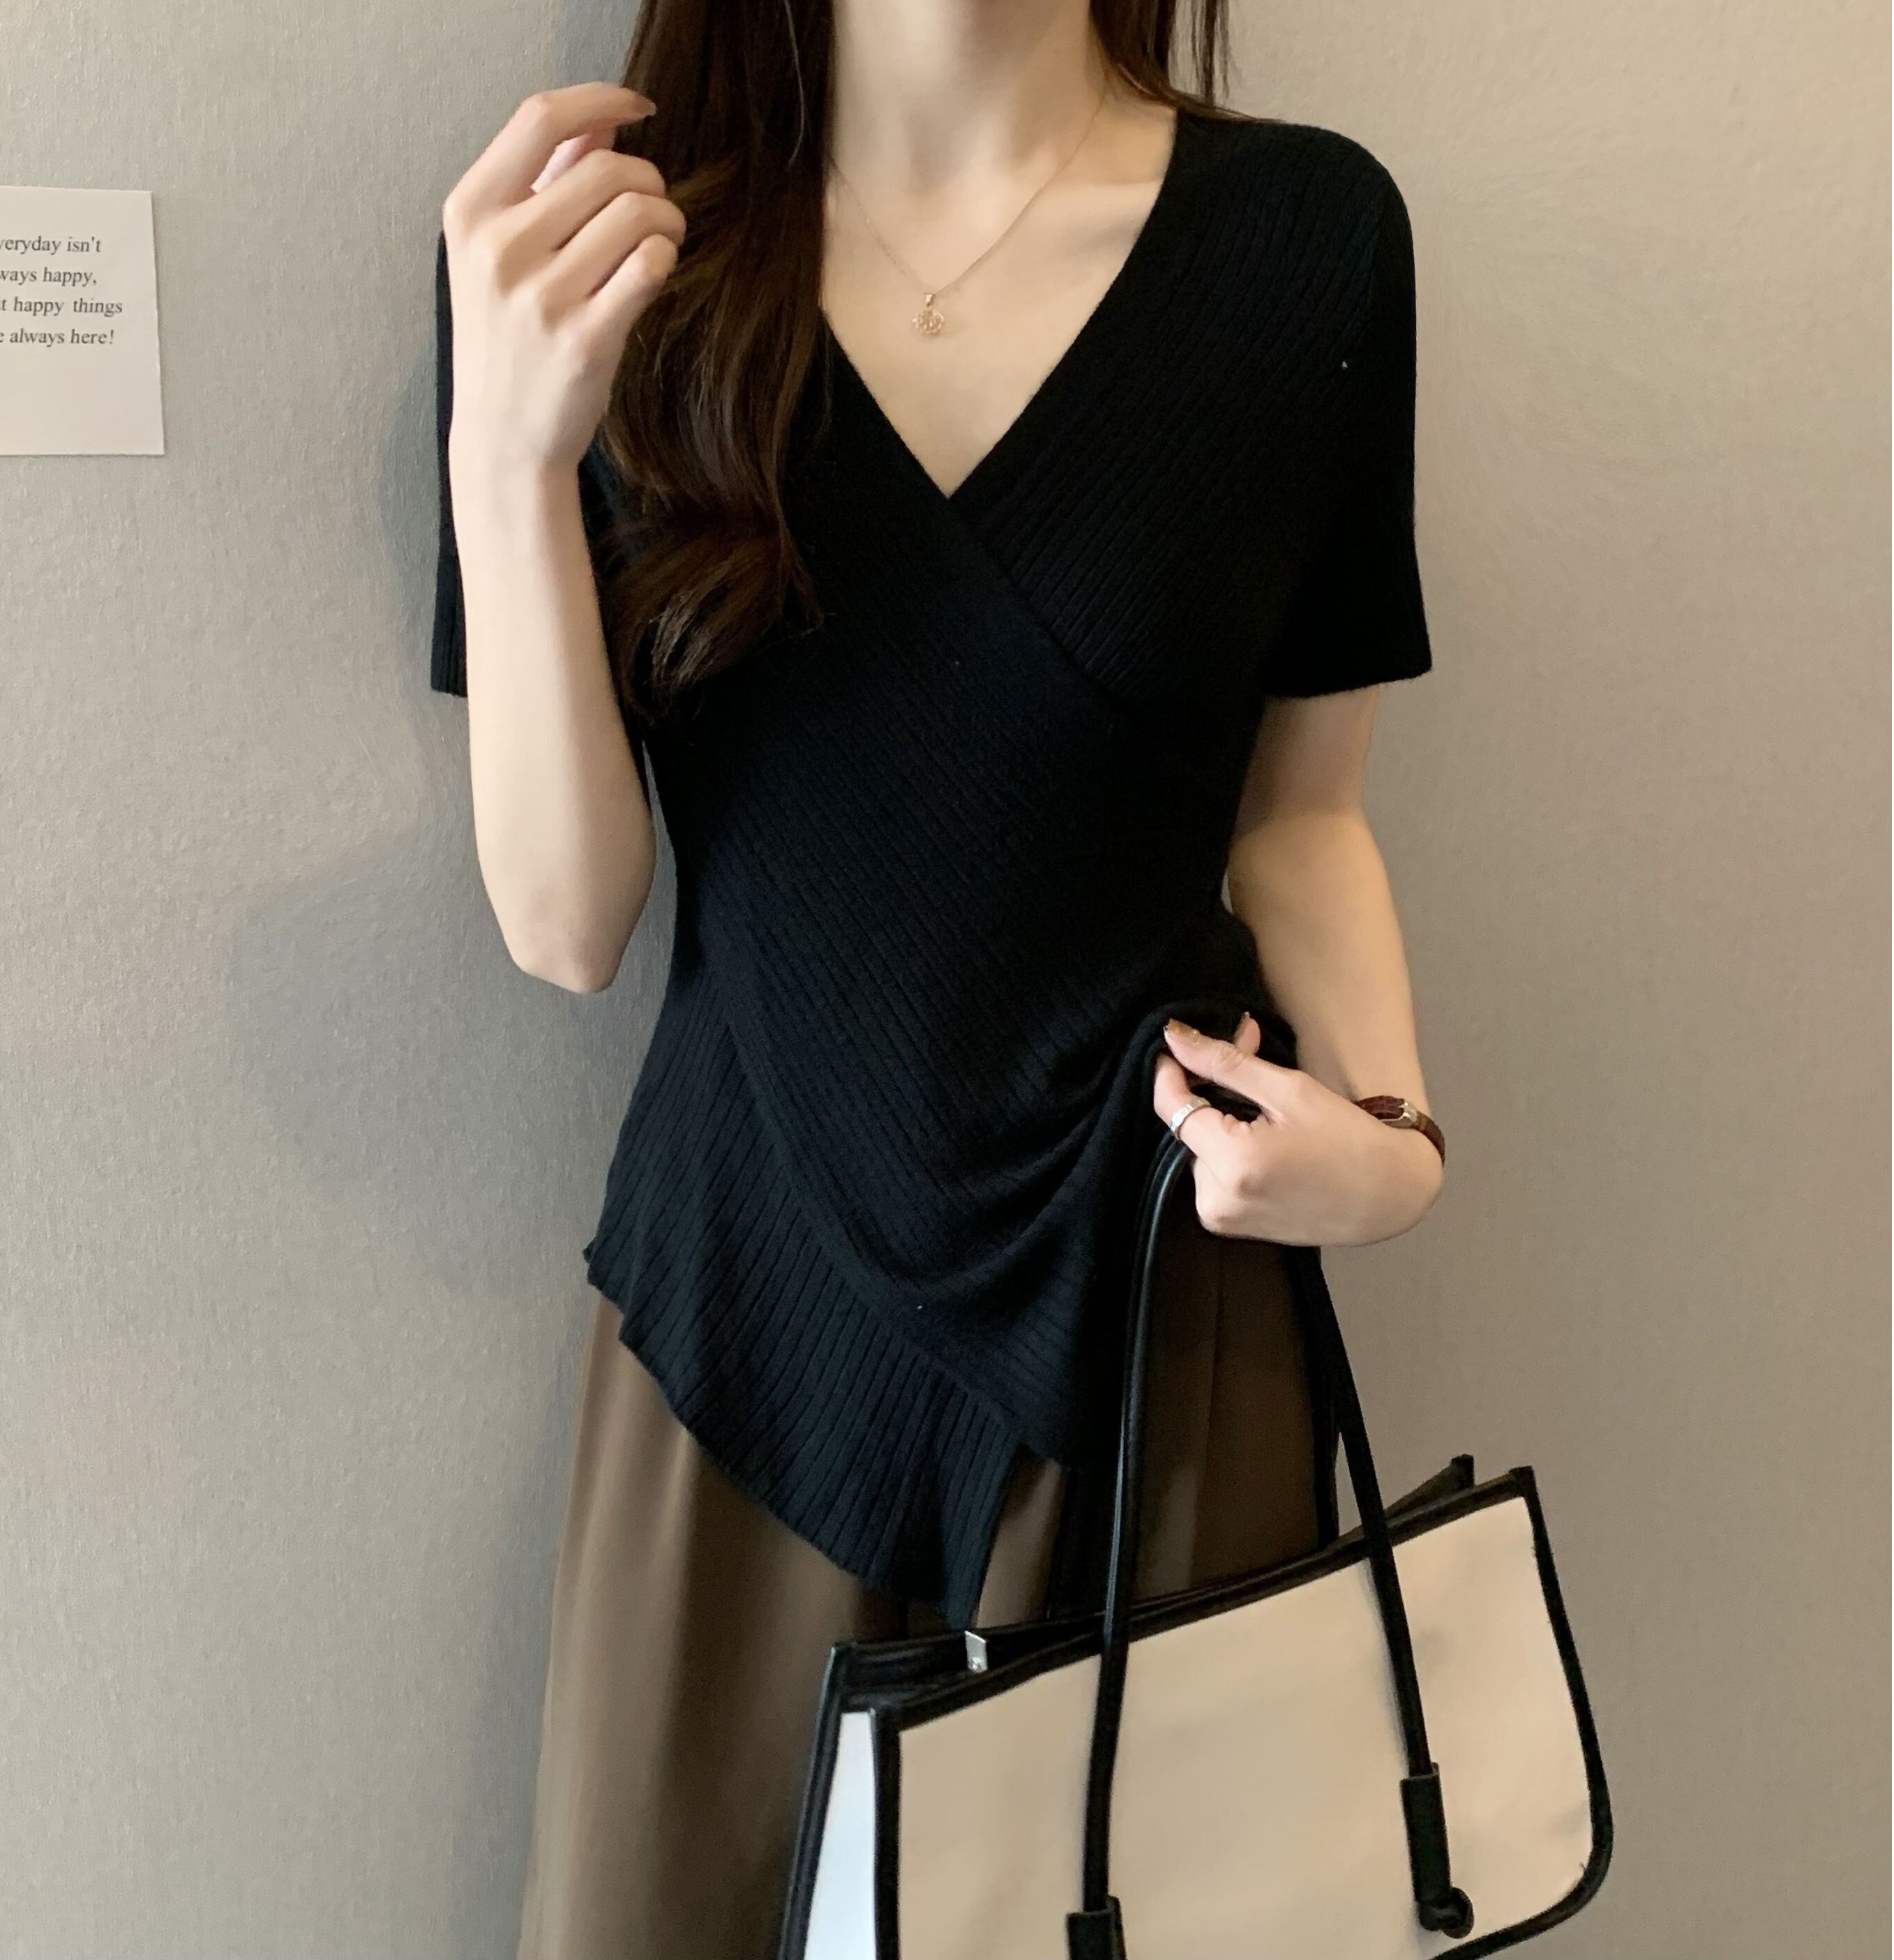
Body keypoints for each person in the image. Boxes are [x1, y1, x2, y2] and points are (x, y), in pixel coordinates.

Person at [430, 1, 1446, 1952]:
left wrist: (1395, 1141)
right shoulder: (601, 253)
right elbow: (567, 926)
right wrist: (507, 449)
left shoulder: (1306, 239)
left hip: (1156, 1316)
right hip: (746, 1328)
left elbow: (1304, 815)